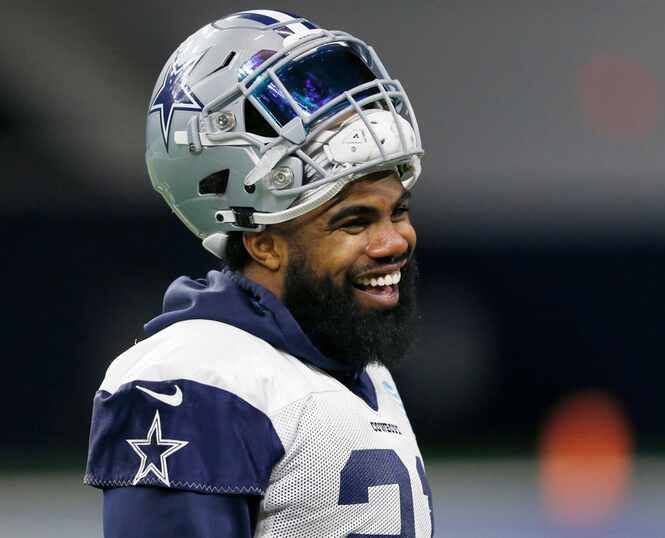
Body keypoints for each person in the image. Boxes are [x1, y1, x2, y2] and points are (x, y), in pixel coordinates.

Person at [84, 9, 434, 538]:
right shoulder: (197, 378)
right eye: (355, 221)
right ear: (264, 244)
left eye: (398, 211)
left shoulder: (357, 369)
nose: (393, 242)